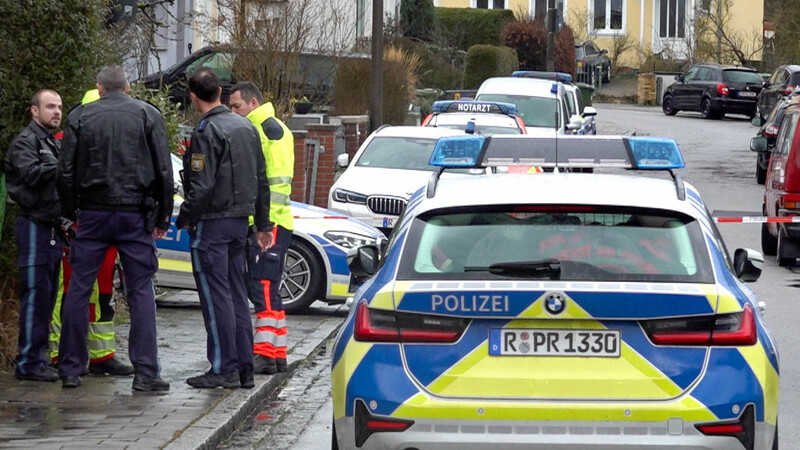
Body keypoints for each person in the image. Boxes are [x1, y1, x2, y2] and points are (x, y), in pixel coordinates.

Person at [57, 66, 174, 390]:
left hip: (93, 213)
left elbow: (65, 172)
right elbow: (164, 170)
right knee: (140, 292)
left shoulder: (81, 116)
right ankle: (146, 373)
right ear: (128, 87)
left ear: (98, 88)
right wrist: (163, 217)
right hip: (135, 214)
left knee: (79, 289)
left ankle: (70, 369)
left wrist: (69, 215)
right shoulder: (147, 115)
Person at [176, 68, 272, 389]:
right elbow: (262, 180)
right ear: (219, 92)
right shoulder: (246, 126)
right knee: (235, 294)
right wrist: (262, 223)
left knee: (216, 296)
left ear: (193, 96)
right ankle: (244, 367)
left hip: (213, 223)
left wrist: (186, 216)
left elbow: (200, 187)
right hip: (239, 223)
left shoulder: (206, 130)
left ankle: (222, 368)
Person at [49, 90, 133, 377]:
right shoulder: (64, 142)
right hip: (76, 231)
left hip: (99, 229)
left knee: (103, 293)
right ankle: (60, 352)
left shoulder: (105, 141)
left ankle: (101, 355)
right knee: (70, 291)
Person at [229, 82, 294, 375]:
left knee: (263, 288)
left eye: (236, 107)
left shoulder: (266, 129)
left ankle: (266, 354)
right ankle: (277, 353)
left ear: (252, 102)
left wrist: (263, 224)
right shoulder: (271, 126)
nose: (234, 112)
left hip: (270, 224)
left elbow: (274, 182)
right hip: (275, 221)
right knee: (270, 288)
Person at [3, 89, 64, 382]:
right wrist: (62, 166)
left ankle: (38, 357)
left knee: (47, 296)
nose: (56, 111)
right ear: (34, 111)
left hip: (51, 227)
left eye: (59, 107)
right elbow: (30, 175)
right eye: (50, 106)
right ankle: (28, 361)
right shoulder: (26, 143)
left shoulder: (51, 143)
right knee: (36, 295)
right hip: (33, 225)